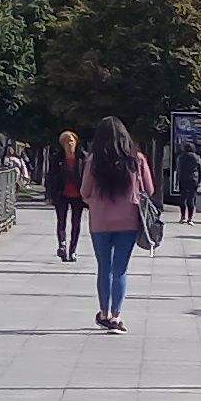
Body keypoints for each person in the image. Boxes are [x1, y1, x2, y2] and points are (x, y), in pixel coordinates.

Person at [78, 116, 150, 332]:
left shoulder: (94, 161)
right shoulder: (136, 160)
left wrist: (95, 203)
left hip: (100, 222)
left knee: (104, 267)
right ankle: (117, 317)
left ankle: (103, 313)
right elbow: (150, 189)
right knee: (120, 269)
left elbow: (84, 192)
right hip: (128, 221)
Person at [44, 129, 87, 259]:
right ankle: (62, 245)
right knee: (61, 220)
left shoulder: (83, 157)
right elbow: (50, 177)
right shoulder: (57, 159)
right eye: (66, 142)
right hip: (61, 193)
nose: (69, 144)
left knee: (76, 222)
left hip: (78, 195)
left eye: (71, 141)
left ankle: (73, 249)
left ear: (76, 142)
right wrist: (49, 195)